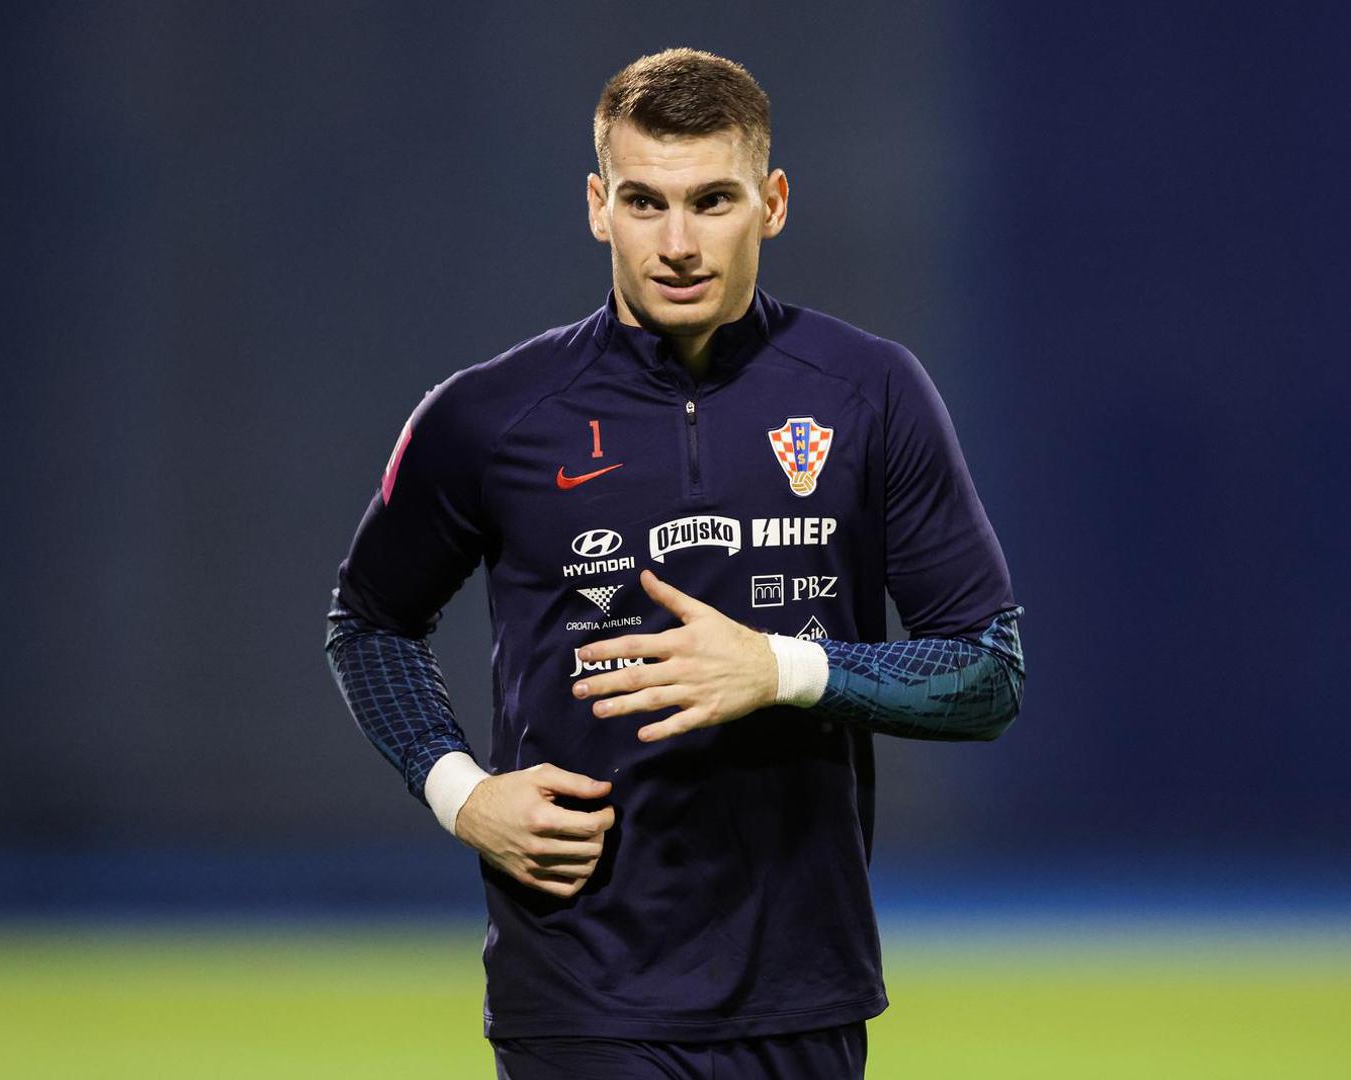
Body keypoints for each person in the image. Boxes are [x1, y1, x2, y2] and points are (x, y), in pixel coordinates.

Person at [326, 47, 1024, 1079]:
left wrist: (780, 670)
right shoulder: (489, 416)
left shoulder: (869, 393)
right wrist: (461, 791)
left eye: (713, 201)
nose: (679, 243)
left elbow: (987, 671)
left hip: (801, 988)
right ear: (597, 205)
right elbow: (371, 624)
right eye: (646, 202)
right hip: (576, 986)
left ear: (773, 202)